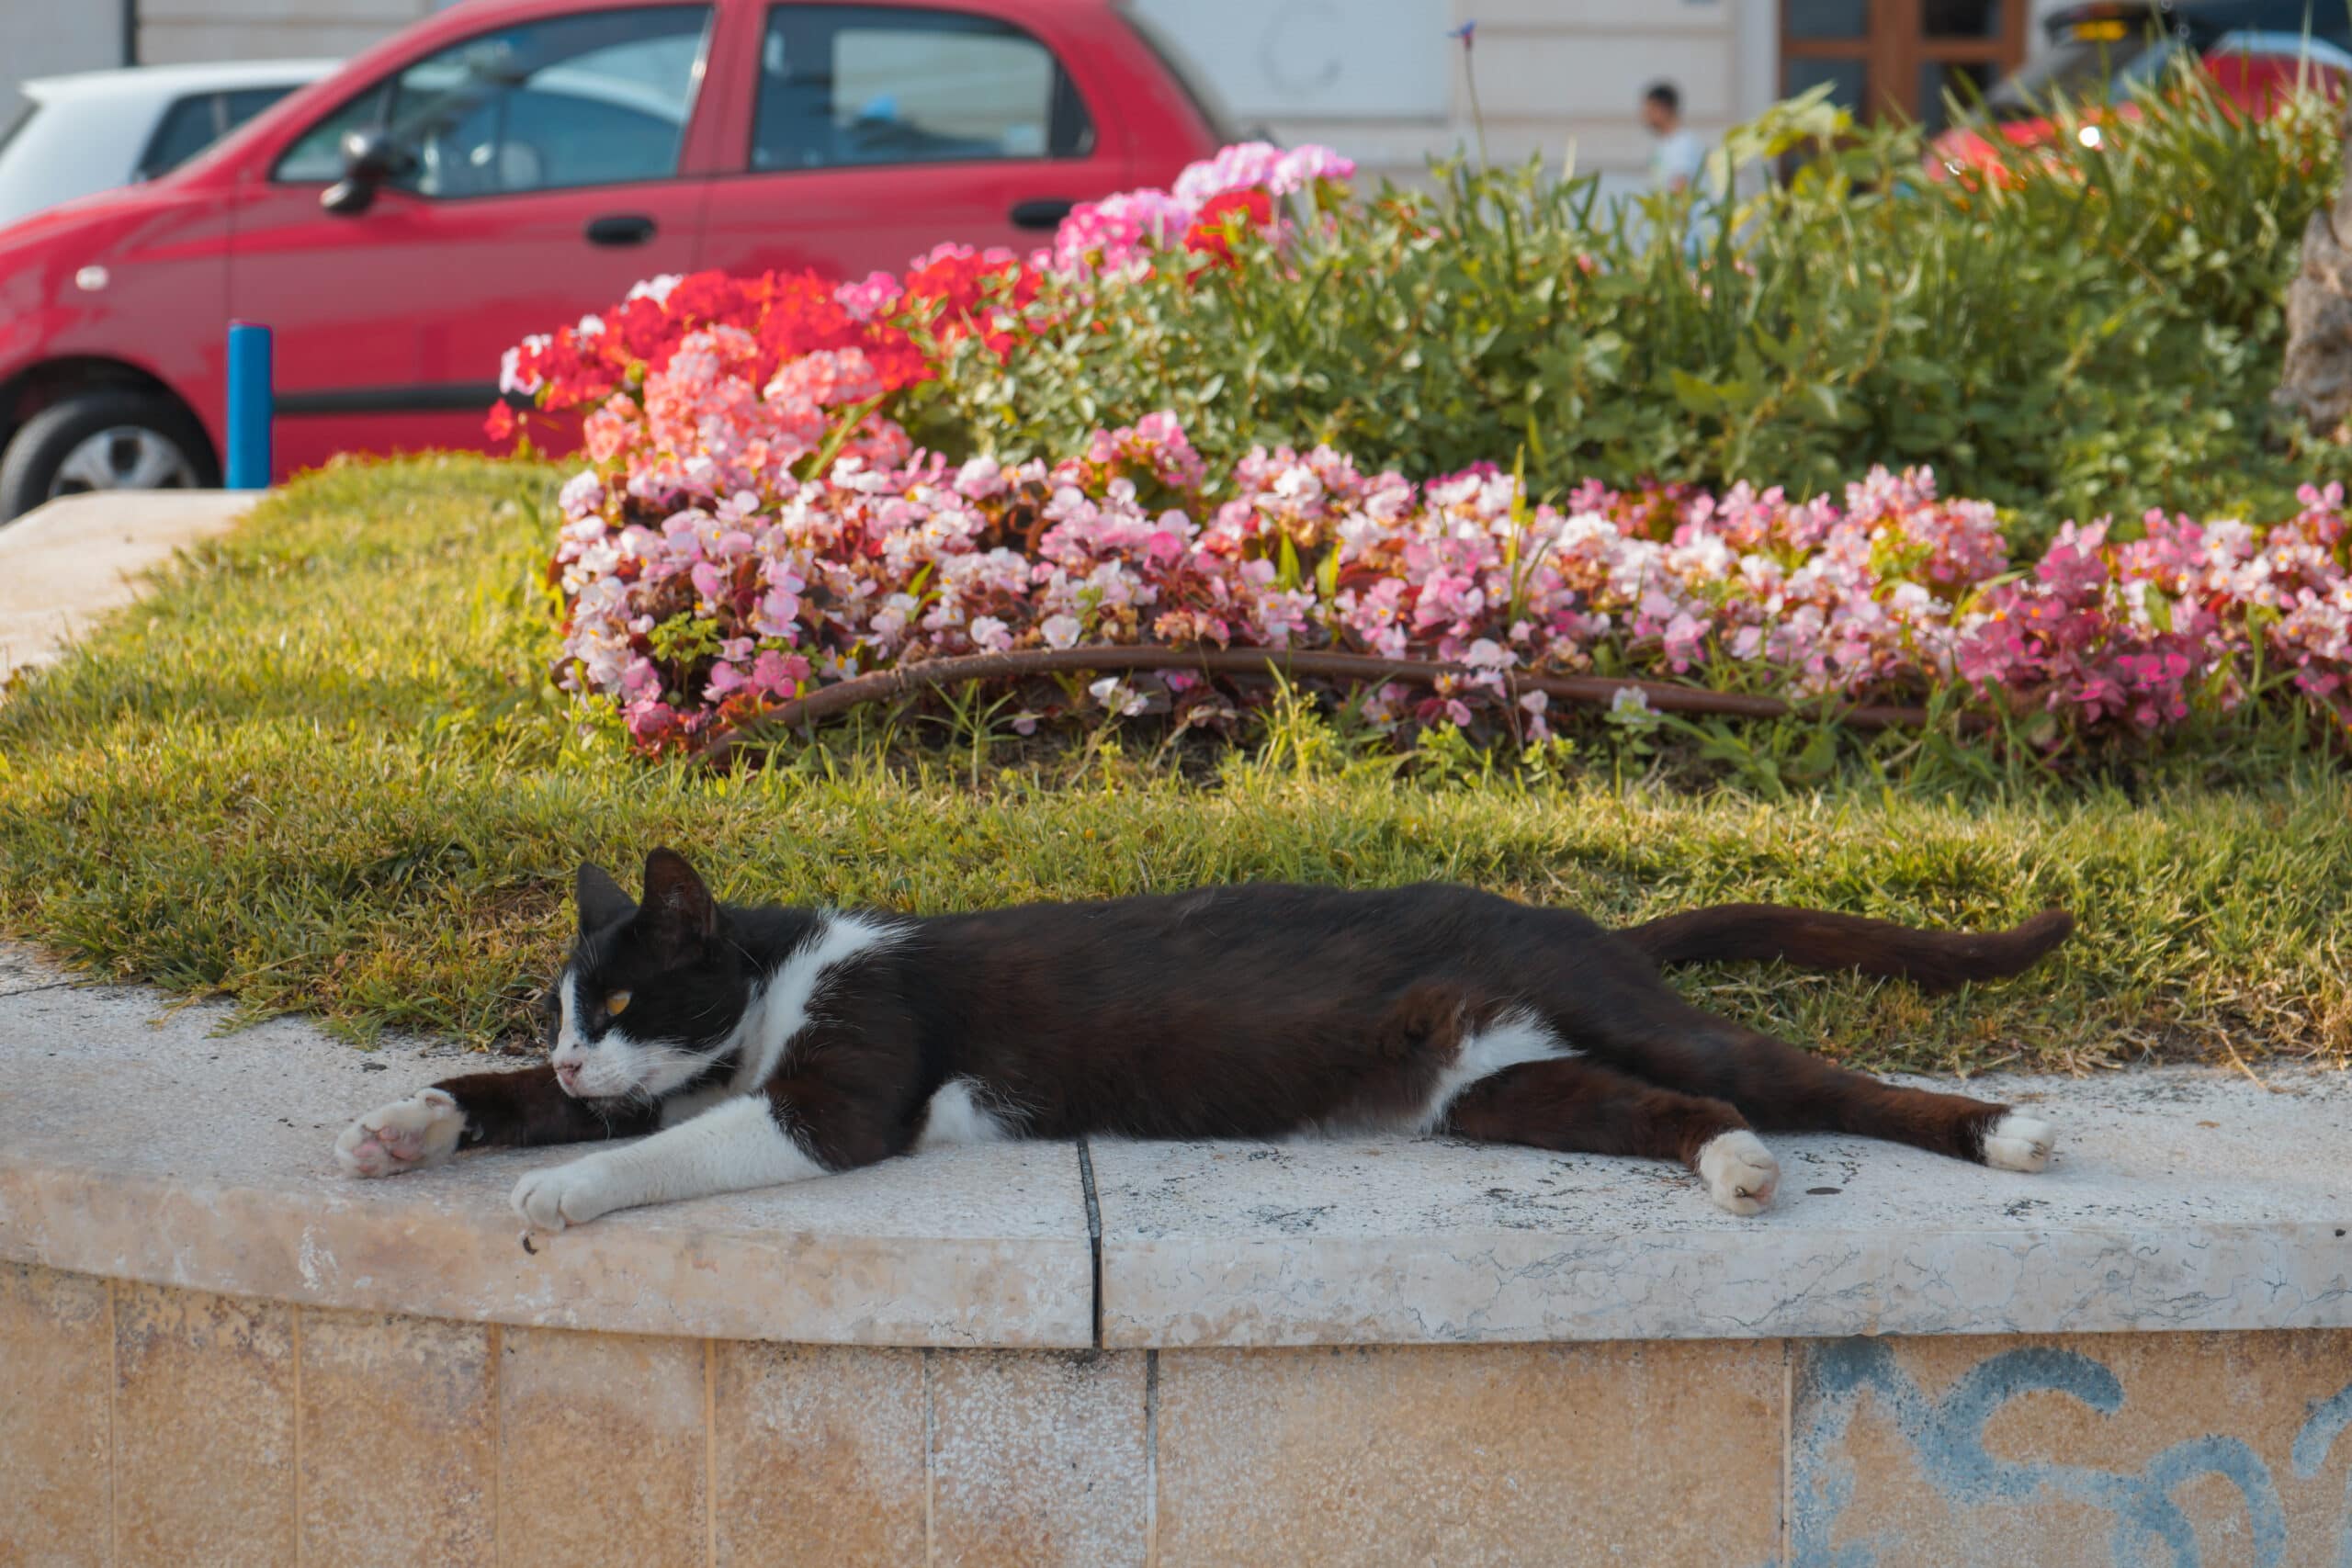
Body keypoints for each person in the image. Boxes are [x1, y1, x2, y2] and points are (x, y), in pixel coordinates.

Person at [1643, 81, 1706, 194]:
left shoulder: (1683, 143)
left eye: (1650, 111)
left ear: (1663, 109)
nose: (1646, 117)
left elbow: (1681, 183)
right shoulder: (1664, 143)